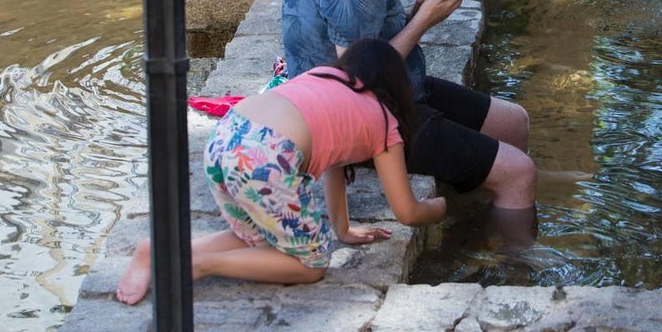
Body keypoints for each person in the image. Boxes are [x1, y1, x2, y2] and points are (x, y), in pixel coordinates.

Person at [280, 0, 538, 246]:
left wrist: (418, 10)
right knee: (520, 173)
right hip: (365, 114)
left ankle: (491, 203)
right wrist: (424, 22)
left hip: (399, 89)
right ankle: (516, 261)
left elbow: (372, 44)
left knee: (514, 121)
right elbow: (356, 80)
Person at [115, 38, 446, 305]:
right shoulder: (383, 120)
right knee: (312, 263)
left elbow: (335, 164)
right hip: (266, 158)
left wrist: (342, 229)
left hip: (224, 138)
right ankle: (199, 265)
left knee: (261, 237)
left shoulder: (322, 78)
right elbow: (407, 211)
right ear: (396, 86)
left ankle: (157, 251)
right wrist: (443, 206)